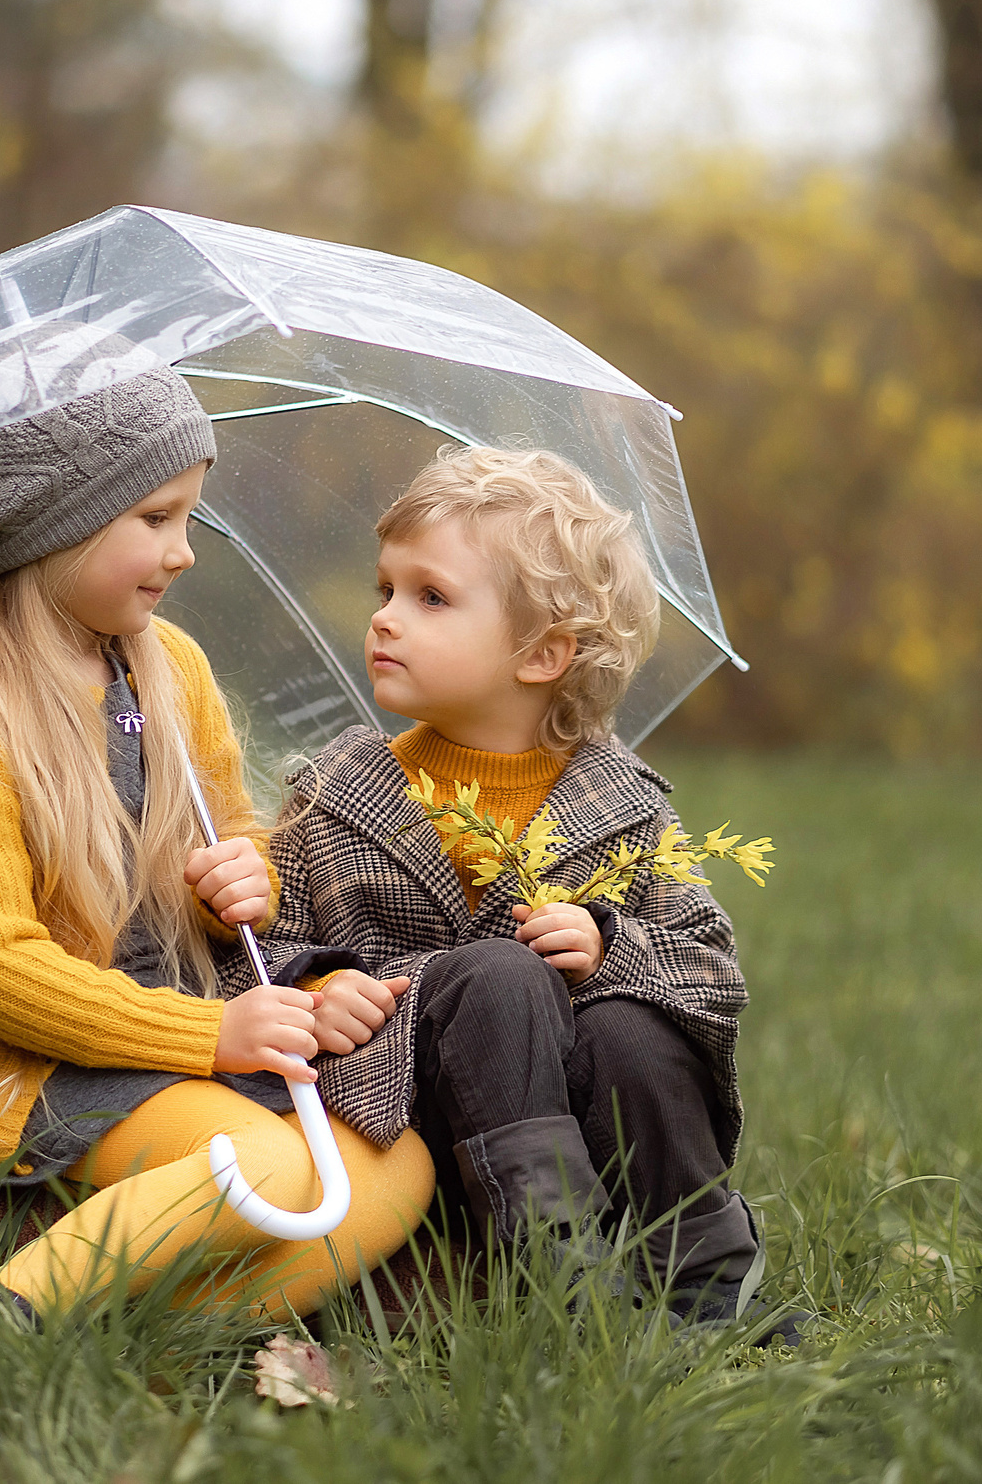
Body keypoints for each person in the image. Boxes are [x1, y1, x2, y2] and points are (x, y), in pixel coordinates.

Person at [0, 323, 435, 1325]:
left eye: (189, 516)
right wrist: (213, 1033)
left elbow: (231, 830)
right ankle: (1, 1319)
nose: (182, 550)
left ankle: (152, 1341)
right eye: (155, 515)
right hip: (26, 1080)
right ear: (52, 522)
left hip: (167, 1046)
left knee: (393, 1164)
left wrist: (241, 888)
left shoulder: (168, 670)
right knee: (261, 1161)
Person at [256, 445, 785, 1334]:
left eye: (429, 597)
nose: (384, 618)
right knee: (500, 974)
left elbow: (709, 972)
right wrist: (315, 988)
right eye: (386, 589)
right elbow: (257, 954)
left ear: (542, 654)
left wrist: (611, 944)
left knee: (633, 1029)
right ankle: (560, 1284)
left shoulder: (617, 805)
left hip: (580, 1111)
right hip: (410, 1121)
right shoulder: (336, 795)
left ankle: (704, 1286)